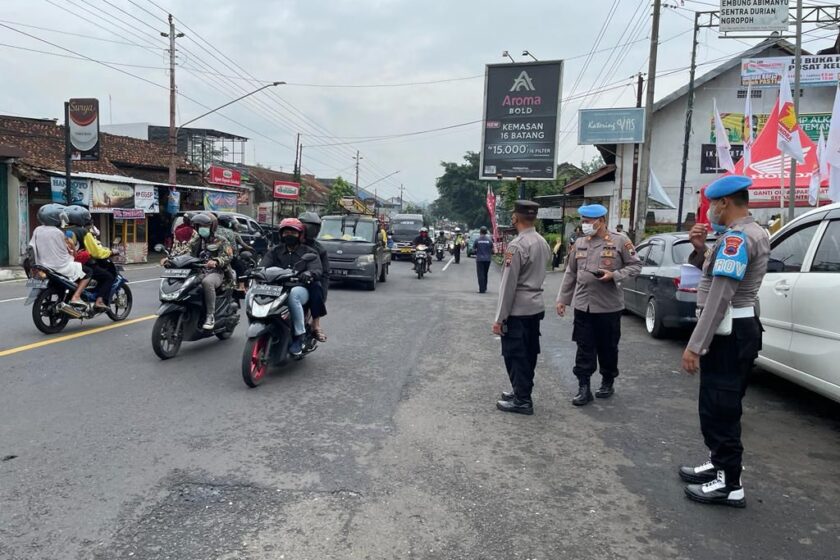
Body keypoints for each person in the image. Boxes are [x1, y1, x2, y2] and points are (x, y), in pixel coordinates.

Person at [679, 175, 769, 508]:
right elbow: (715, 275)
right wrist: (702, 250)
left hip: (729, 333)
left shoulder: (737, 240)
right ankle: (720, 464)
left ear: (724, 203)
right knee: (720, 404)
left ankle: (729, 484)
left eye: (711, 205)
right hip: (737, 330)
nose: (710, 212)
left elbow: (720, 296)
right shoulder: (740, 235)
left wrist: (695, 345)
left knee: (721, 408)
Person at [556, 204, 641, 407]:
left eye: (588, 221)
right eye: (583, 221)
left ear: (601, 221)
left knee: (608, 348)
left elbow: (636, 265)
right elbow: (571, 273)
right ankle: (583, 387)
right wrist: (562, 299)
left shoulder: (620, 241)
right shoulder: (580, 243)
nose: (584, 225)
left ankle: (607, 380)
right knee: (584, 347)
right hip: (583, 305)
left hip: (608, 307)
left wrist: (615, 275)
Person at [492, 201, 553, 415]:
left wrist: (500, 318)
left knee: (515, 354)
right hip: (535, 307)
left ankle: (522, 400)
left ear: (515, 218)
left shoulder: (517, 246)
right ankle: (521, 390)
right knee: (529, 352)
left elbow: (508, 285)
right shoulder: (542, 242)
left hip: (518, 309)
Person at [260, 218, 323, 356]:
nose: (289, 235)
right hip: (277, 288)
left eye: (293, 233)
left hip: (300, 288)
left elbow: (317, 270)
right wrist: (254, 271)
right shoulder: (275, 251)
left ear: (300, 235)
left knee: (293, 295)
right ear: (281, 234)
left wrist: (308, 273)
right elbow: (263, 266)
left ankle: (299, 336)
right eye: (286, 232)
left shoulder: (309, 252)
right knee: (253, 293)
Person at [168, 212, 233, 330]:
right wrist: (170, 259)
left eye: (204, 226)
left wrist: (216, 261)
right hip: (198, 271)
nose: (201, 228)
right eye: (199, 226)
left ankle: (210, 316)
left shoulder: (221, 240)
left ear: (212, 226)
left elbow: (228, 256)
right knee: (185, 283)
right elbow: (184, 252)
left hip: (216, 272)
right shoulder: (196, 240)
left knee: (207, 283)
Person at [28, 203, 89, 305]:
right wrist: (73, 251)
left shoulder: (37, 230)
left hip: (42, 265)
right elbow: (68, 251)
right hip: (60, 266)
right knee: (88, 272)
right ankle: (76, 296)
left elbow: (32, 247)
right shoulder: (58, 232)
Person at [65, 206, 115, 311]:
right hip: (83, 264)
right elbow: (96, 252)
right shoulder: (83, 232)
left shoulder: (62, 230)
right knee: (108, 277)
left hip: (66, 263)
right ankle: (99, 301)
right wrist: (111, 252)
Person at [299, 212, 329, 343]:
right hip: (287, 279)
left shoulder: (319, 249)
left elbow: (324, 274)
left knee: (316, 288)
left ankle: (315, 324)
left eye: (314, 227)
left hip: (309, 280)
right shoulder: (288, 242)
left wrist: (323, 294)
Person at [474, 226, 494, 293]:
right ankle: (485, 287)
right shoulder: (489, 240)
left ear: (480, 232)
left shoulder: (477, 240)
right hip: (488, 260)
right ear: (486, 232)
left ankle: (481, 289)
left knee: (480, 274)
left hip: (480, 259)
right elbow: (493, 250)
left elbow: (474, 249)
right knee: (485, 273)